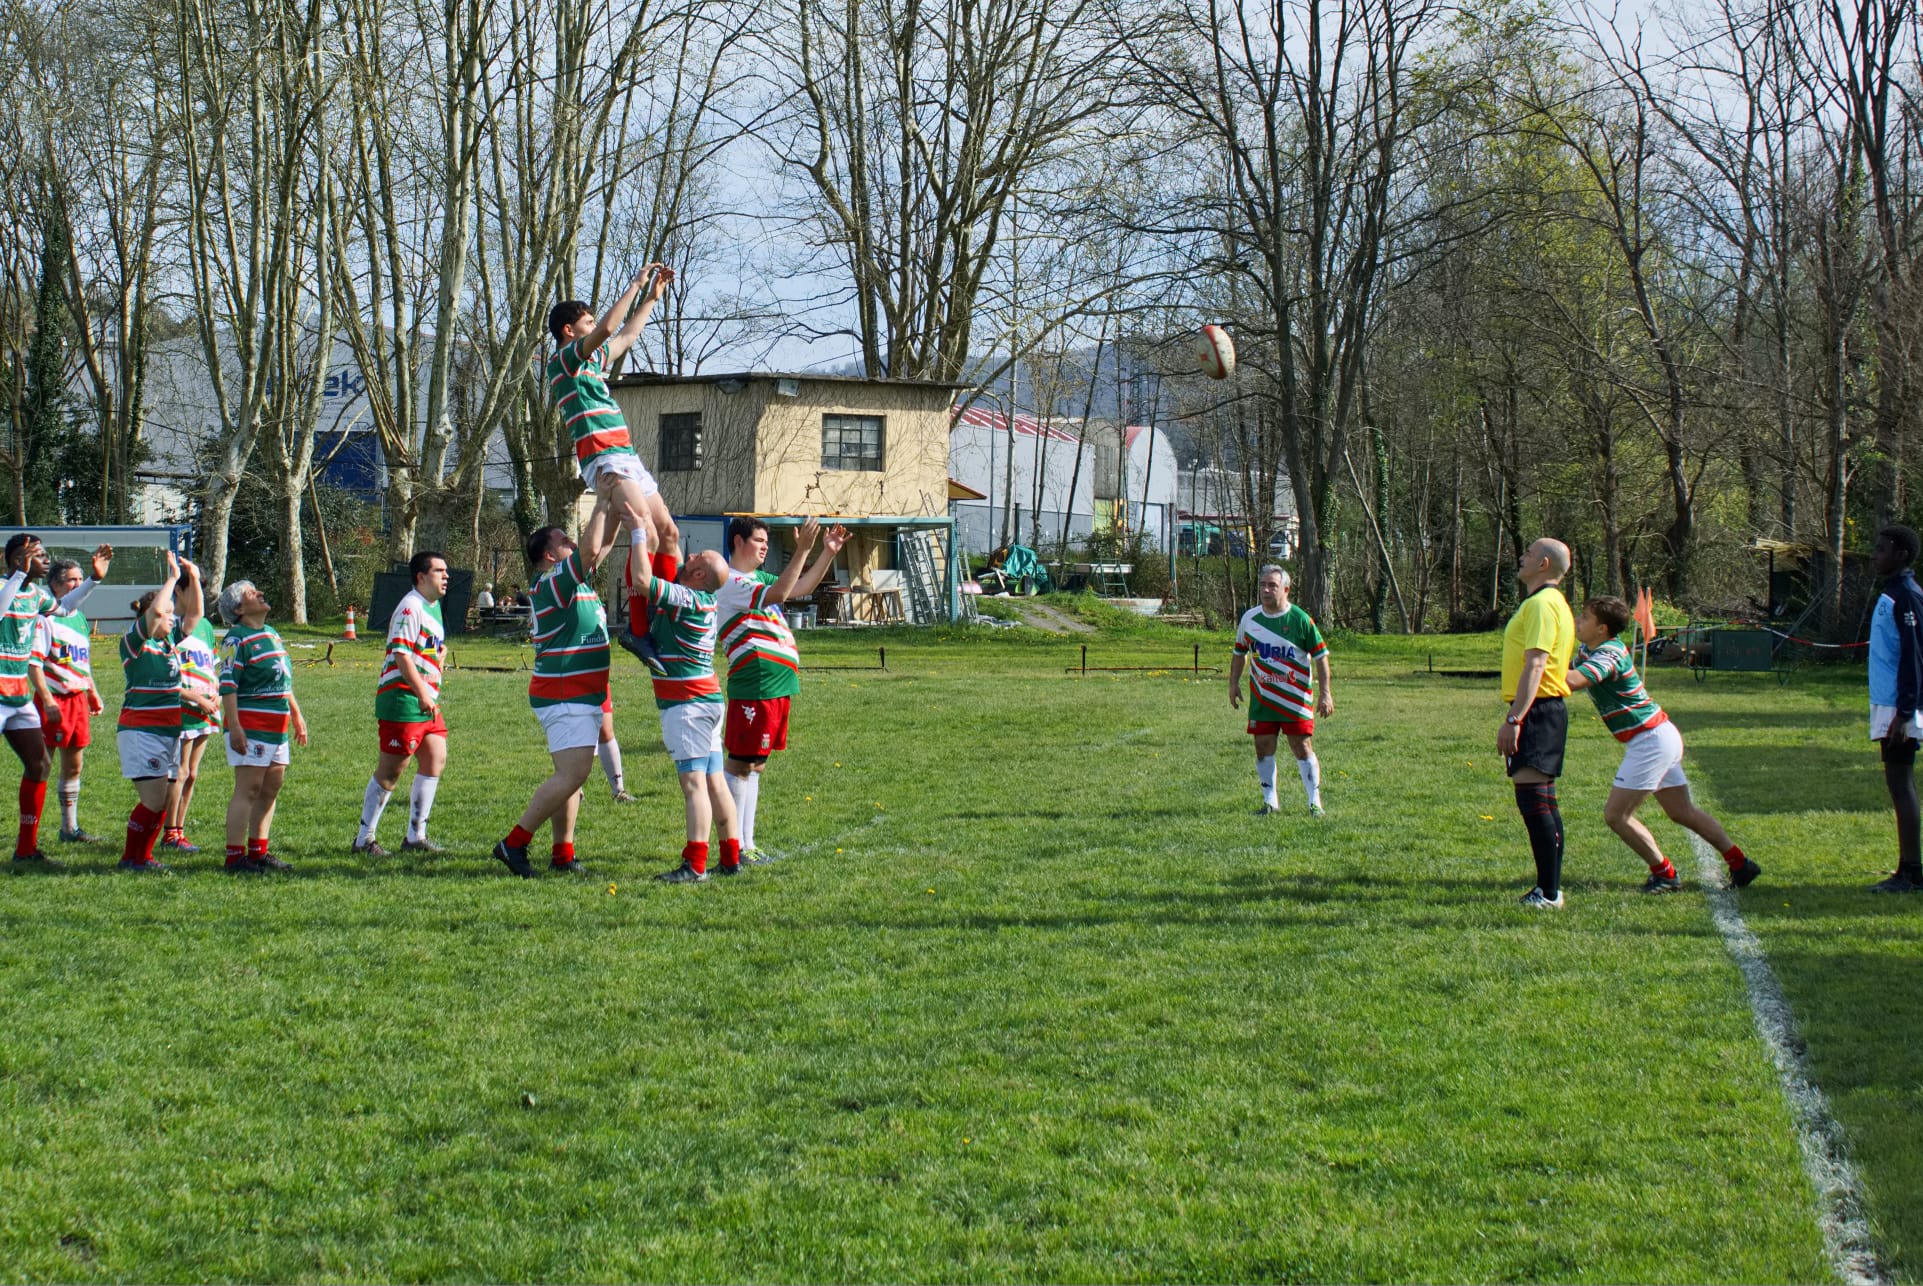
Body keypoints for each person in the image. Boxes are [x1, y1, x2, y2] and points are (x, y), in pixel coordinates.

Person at [1566, 596, 1760, 892]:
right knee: (1682, 812)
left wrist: (1537, 662)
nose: (1577, 621)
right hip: (1658, 735)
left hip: (1650, 741)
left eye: (1584, 617)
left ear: (1602, 629)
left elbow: (1573, 680)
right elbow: (1567, 670)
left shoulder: (1609, 654)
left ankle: (1665, 874)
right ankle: (1740, 864)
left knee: (1616, 815)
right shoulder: (1588, 649)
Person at [546, 265, 682, 661]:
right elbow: (609, 328)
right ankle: (638, 630)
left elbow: (625, 336)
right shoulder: (564, 361)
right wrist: (635, 284)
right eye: (586, 322)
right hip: (603, 457)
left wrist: (651, 299)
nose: (594, 325)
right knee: (645, 532)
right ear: (569, 331)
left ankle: (668, 615)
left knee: (668, 533)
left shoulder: (591, 362)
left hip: (626, 454)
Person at [491, 501, 631, 878]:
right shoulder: (553, 581)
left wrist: (617, 511)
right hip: (564, 692)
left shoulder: (572, 580)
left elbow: (599, 548)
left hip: (577, 692)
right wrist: (601, 502)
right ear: (551, 556)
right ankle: (514, 843)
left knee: (569, 778)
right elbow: (590, 549)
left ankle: (562, 854)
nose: (573, 542)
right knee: (573, 775)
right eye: (564, 540)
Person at [715, 515, 849, 860]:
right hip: (755, 684)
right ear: (738, 542)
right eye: (758, 540)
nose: (764, 547)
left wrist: (827, 553)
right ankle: (734, 845)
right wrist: (802, 549)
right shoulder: (729, 580)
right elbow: (780, 593)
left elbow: (798, 588)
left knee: (756, 765)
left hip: (777, 686)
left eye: (766, 542)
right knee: (740, 765)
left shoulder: (758, 578)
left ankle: (748, 843)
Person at [628, 522, 738, 882]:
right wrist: (664, 532)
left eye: (696, 558)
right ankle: (731, 857)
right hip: (708, 699)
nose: (689, 557)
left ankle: (695, 865)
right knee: (714, 781)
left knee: (694, 786)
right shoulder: (704, 598)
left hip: (687, 703)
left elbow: (642, 581)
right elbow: (672, 554)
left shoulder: (686, 598)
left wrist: (637, 534)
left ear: (700, 574)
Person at [0, 535, 110, 868]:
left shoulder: (36, 594)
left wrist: (94, 580)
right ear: (18, 559)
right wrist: (19, 574)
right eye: (39, 554)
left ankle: (26, 850)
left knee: (39, 765)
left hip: (18, 696)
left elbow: (65, 607)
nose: (46, 560)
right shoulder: (5, 586)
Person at [117, 555, 219, 873]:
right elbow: (159, 611)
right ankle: (131, 857)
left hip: (167, 730)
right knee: (153, 800)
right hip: (142, 730)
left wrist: (194, 576)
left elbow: (196, 614)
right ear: (148, 617)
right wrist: (173, 578)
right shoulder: (135, 643)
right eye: (168, 616)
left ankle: (142, 857)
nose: (173, 619)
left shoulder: (168, 644)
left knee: (161, 799)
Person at [354, 551, 451, 857]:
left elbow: (424, 648)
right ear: (421, 577)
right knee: (392, 771)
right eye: (439, 571)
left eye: (446, 571)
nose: (446, 576)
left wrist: (439, 657)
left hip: (425, 700)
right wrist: (422, 693)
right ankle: (364, 839)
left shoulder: (432, 606)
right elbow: (401, 654)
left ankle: (415, 836)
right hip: (403, 699)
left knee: (435, 757)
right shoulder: (410, 607)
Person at [1499, 538, 1577, 909]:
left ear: (1544, 564)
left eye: (1529, 553)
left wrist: (1515, 717)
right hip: (1542, 709)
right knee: (1542, 800)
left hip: (1538, 710)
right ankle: (1549, 888)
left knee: (1534, 802)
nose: (1522, 557)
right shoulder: (1548, 602)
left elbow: (1536, 664)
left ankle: (1548, 892)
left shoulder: (1543, 604)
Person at [217, 579, 309, 873]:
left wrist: (296, 714)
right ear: (238, 609)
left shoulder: (272, 633)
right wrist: (235, 726)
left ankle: (259, 851)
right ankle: (234, 856)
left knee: (272, 785)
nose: (260, 593)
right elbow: (228, 684)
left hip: (277, 724)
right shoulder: (235, 639)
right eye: (250, 593)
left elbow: (284, 679)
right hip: (251, 723)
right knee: (249, 787)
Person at [1228, 565, 1334, 816]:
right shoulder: (1250, 619)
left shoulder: (1300, 619)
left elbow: (1321, 656)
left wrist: (1325, 693)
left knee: (1302, 747)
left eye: (1272, 586)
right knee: (1263, 746)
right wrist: (1233, 683)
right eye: (1263, 585)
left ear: (1286, 589)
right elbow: (1239, 652)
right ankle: (1270, 803)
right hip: (1262, 699)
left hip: (1294, 700)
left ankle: (1314, 803)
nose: (1266, 590)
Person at [41, 553, 113, 845]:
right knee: (40, 766)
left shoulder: (80, 619)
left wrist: (92, 690)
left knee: (74, 765)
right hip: (53, 698)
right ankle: (28, 831)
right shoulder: (46, 617)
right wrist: (46, 696)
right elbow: (35, 662)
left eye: (81, 579)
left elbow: (81, 662)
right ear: (55, 585)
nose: (78, 584)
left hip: (77, 699)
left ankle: (69, 828)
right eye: (72, 580)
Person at [1868, 524, 1923, 893]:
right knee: (1897, 785)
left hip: (1897, 707)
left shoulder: (1907, 595)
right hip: (1888, 703)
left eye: (1882, 549)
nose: (1876, 555)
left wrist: (1904, 713)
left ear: (1901, 554)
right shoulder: (1891, 592)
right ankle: (1908, 868)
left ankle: (1911, 873)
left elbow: (1914, 656)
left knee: (1901, 785)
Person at [162, 604, 223, 854]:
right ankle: (169, 833)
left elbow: (211, 667)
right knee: (180, 771)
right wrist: (196, 698)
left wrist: (217, 693)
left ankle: (180, 829)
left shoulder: (206, 626)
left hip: (206, 709)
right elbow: (167, 677)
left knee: (192, 773)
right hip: (184, 709)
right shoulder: (172, 626)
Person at [597, 697, 635, 804]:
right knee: (575, 736)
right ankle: (576, 793)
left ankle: (618, 791)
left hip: (596, 688)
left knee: (606, 730)